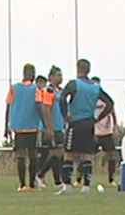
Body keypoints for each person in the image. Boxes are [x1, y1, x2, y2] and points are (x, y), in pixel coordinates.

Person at [58, 59, 114, 194]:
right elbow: (110, 103)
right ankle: (86, 186)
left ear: (78, 68)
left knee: (69, 153)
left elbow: (62, 98)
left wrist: (65, 115)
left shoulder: (74, 84)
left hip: (76, 122)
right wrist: (98, 118)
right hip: (89, 123)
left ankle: (67, 186)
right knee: (86, 155)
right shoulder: (95, 87)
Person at [4, 63, 42, 191]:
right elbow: (38, 106)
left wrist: (6, 126)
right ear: (32, 74)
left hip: (18, 126)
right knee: (33, 155)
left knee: (21, 155)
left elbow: (8, 107)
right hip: (32, 126)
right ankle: (32, 184)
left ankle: (22, 184)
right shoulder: (35, 89)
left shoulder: (14, 88)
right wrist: (45, 123)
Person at [35, 66, 65, 189]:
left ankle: (57, 181)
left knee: (58, 154)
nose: (60, 78)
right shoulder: (49, 91)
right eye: (58, 75)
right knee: (56, 152)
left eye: (61, 75)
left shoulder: (60, 91)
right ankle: (40, 175)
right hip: (51, 127)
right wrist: (49, 128)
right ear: (51, 77)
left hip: (59, 126)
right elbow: (46, 109)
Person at [92, 76, 119, 186]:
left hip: (106, 131)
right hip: (94, 132)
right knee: (87, 155)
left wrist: (115, 127)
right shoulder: (90, 99)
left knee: (111, 154)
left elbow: (112, 112)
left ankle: (111, 179)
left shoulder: (105, 99)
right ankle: (81, 178)